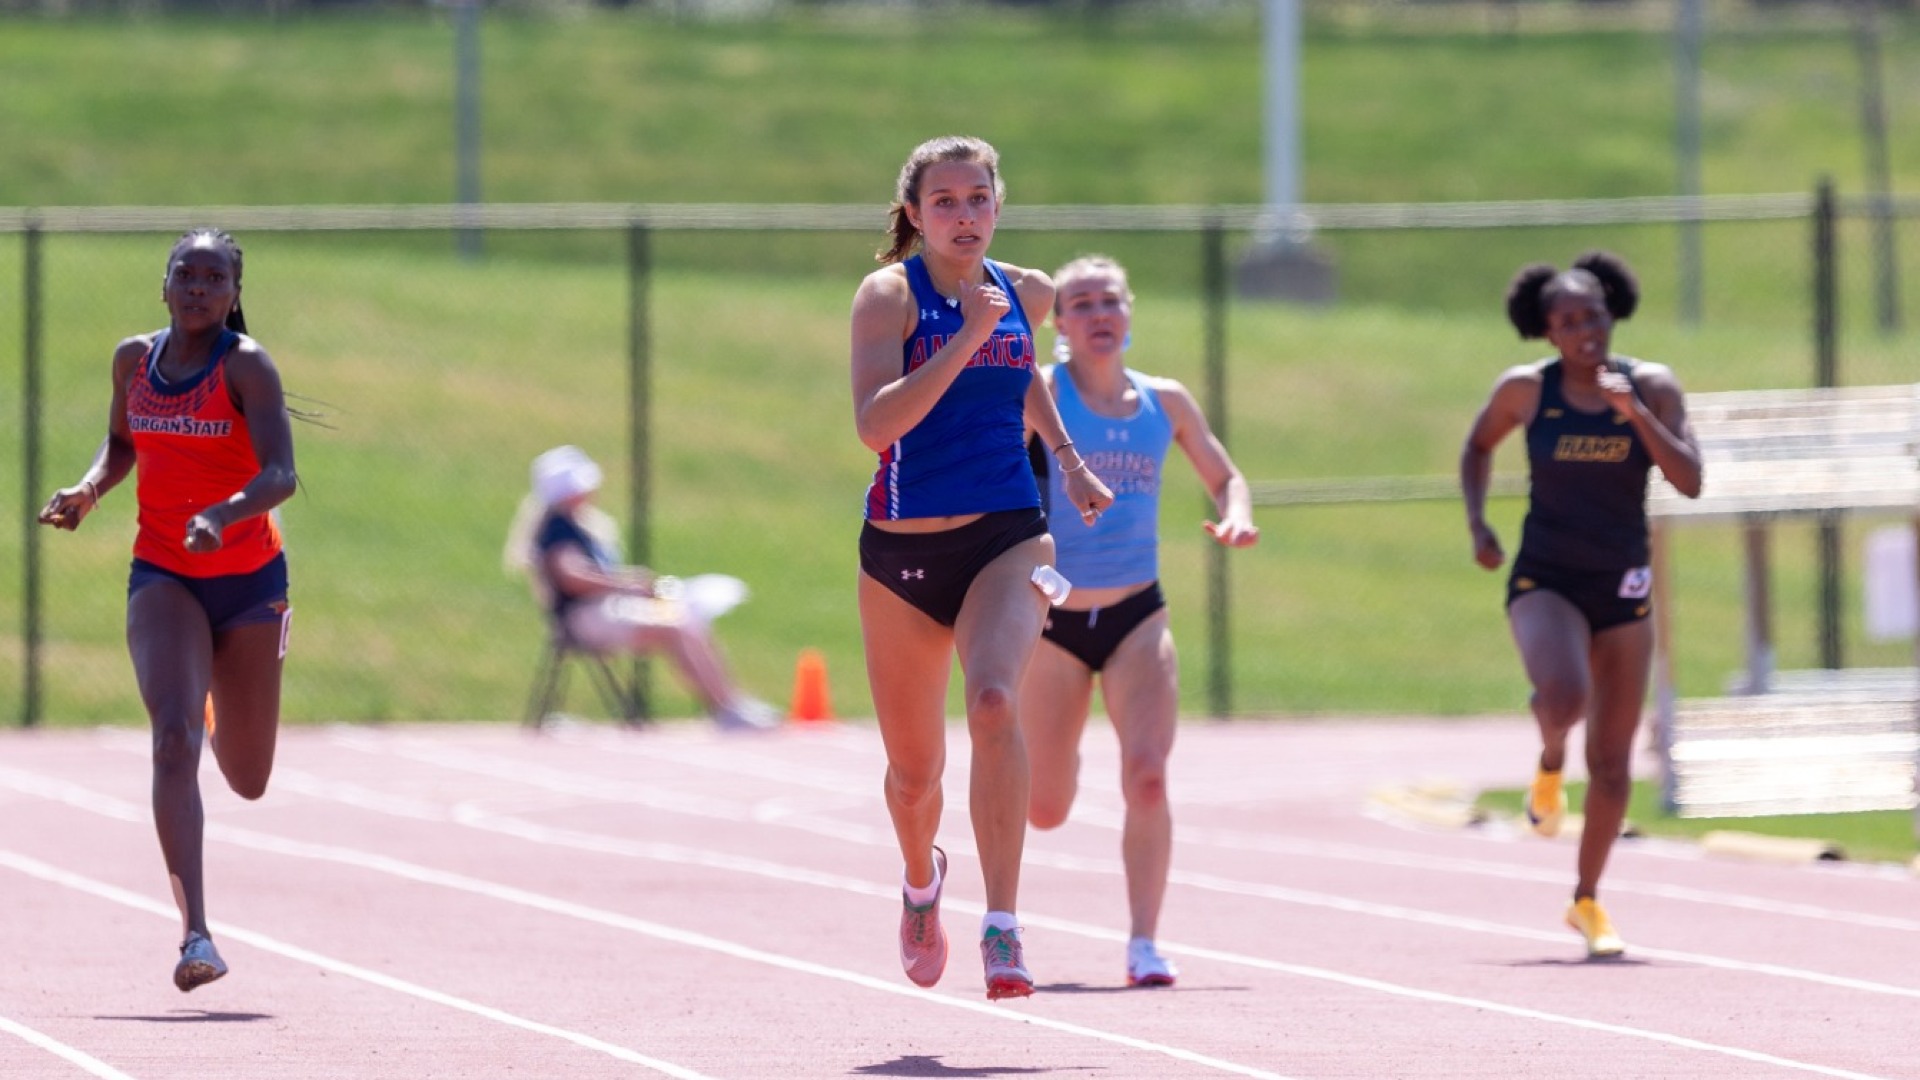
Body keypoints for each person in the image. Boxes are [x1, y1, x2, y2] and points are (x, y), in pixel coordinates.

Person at [850, 135, 1113, 1000]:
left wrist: (1068, 458)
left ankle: (1003, 924)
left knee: (997, 700)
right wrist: (963, 336)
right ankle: (921, 882)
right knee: (914, 774)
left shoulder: (1024, 290)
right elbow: (877, 427)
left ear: (999, 205)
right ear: (917, 214)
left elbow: (1022, 374)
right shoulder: (887, 297)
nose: (965, 216)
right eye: (946, 203)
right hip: (902, 551)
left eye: (978, 199)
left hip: (1007, 532)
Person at [38, 228, 299, 992]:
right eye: (185, 273)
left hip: (249, 581)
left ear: (233, 294)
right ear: (163, 285)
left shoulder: (246, 366)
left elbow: (282, 472)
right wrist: (90, 487)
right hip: (163, 572)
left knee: (247, 777)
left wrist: (223, 514)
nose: (196, 287)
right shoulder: (134, 360)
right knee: (171, 739)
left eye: (213, 277)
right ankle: (196, 935)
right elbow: (120, 444)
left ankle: (220, 695)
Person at [1018, 255, 1258, 989]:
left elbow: (1226, 475)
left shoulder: (1167, 401)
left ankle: (1144, 943)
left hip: (1136, 616)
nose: (1097, 315)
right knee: (1047, 808)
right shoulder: (1042, 393)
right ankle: (1062, 761)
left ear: (1129, 312)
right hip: (1052, 624)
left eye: (1109, 301)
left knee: (1149, 778)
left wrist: (1237, 516)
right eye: (1080, 303)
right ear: (1060, 323)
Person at [1459, 251, 1702, 958]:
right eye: (1567, 321)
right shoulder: (1525, 391)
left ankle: (1587, 899)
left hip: (1624, 583)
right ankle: (1549, 755)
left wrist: (1635, 416)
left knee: (1617, 763)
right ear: (1547, 331)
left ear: (1613, 313)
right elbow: (1477, 448)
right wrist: (1478, 522)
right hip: (1547, 576)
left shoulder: (1652, 386)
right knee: (1564, 694)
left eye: (1593, 315)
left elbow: (1688, 480)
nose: (1584, 330)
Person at [505, 445, 779, 732]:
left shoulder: (578, 525)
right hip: (585, 618)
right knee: (676, 626)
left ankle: (729, 702)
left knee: (686, 618)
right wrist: (627, 584)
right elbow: (571, 576)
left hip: (603, 611)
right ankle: (724, 707)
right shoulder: (557, 528)